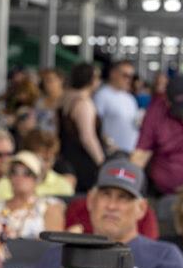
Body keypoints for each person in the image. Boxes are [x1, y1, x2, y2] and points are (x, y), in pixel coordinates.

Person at [31, 161, 183, 268]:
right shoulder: (57, 255)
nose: (112, 205)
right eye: (105, 194)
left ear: (142, 209)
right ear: (90, 200)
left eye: (123, 198)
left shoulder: (164, 256)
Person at [0, 152, 65, 240]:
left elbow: (54, 243)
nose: (19, 176)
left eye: (27, 172)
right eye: (14, 171)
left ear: (38, 178)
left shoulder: (49, 206)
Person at [59, 62, 106, 193]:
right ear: (90, 80)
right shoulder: (84, 103)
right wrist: (101, 161)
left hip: (66, 156)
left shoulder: (63, 100)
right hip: (83, 161)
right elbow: (87, 137)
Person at [93, 60, 139, 153]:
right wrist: (109, 143)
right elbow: (94, 126)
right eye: (125, 75)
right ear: (113, 74)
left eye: (131, 77)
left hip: (131, 152)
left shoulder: (130, 98)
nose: (129, 80)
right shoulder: (102, 95)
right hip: (112, 153)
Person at [35, 68, 63, 133]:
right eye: (44, 81)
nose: (46, 84)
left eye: (50, 80)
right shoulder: (39, 100)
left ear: (61, 80)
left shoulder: (66, 100)